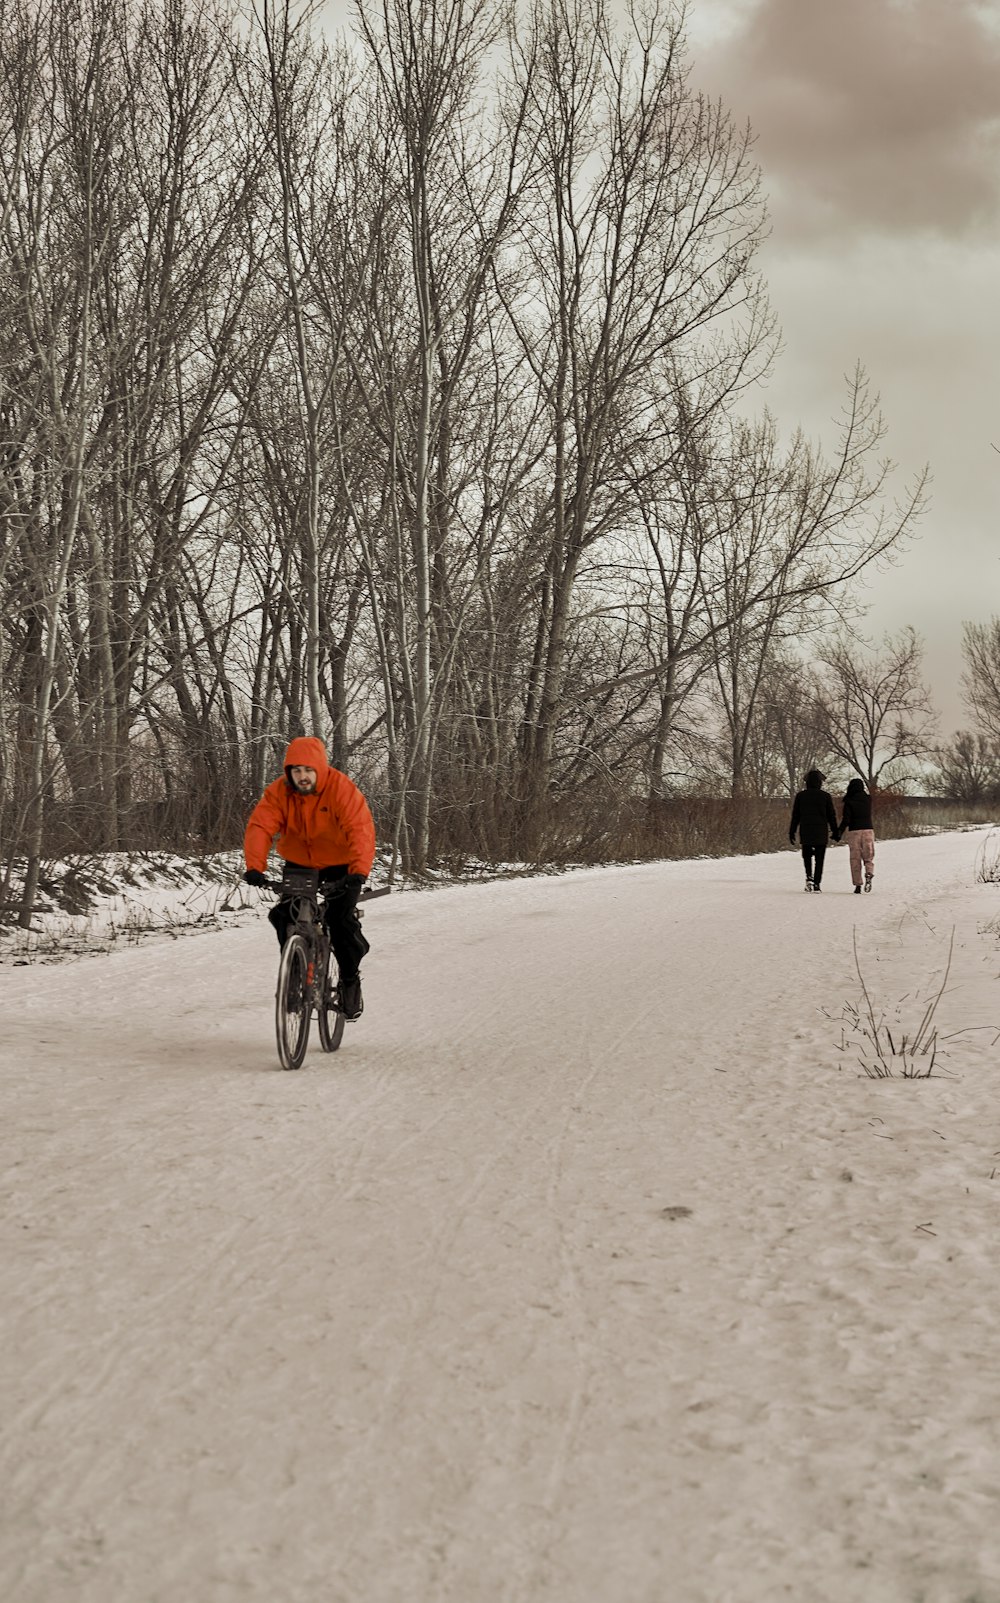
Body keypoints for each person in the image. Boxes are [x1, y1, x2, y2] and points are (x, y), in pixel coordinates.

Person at [243, 736, 376, 1020]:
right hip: (300, 865)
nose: (302, 777)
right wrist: (255, 866)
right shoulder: (279, 792)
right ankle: (293, 973)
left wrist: (358, 871)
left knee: (340, 923)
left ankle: (350, 981)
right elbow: (260, 826)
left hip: (341, 866)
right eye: (296, 771)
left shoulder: (341, 788)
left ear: (320, 769)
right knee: (283, 915)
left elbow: (360, 829)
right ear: (289, 772)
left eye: (308, 770)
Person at [789, 768, 838, 892]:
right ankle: (817, 883)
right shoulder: (825, 796)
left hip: (806, 830)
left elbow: (796, 816)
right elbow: (831, 815)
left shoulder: (801, 796)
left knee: (807, 856)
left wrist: (792, 831)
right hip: (821, 831)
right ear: (819, 782)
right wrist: (835, 831)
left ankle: (809, 877)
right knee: (820, 859)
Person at [834, 776, 875, 893]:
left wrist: (839, 832)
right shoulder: (868, 799)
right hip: (868, 830)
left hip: (854, 831)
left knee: (855, 859)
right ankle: (869, 872)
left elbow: (846, 820)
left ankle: (858, 885)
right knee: (869, 856)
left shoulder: (849, 801)